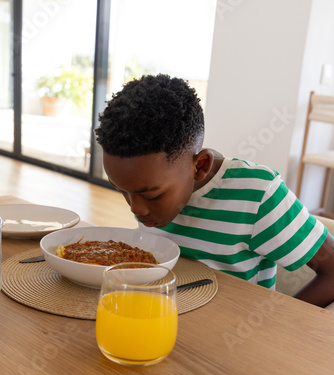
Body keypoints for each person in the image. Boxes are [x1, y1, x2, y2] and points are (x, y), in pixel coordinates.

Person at [95, 74, 334, 308]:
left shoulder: (259, 195)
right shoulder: (152, 184)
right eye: (122, 191)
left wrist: (279, 324)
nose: (136, 209)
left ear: (200, 166)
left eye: (152, 195)